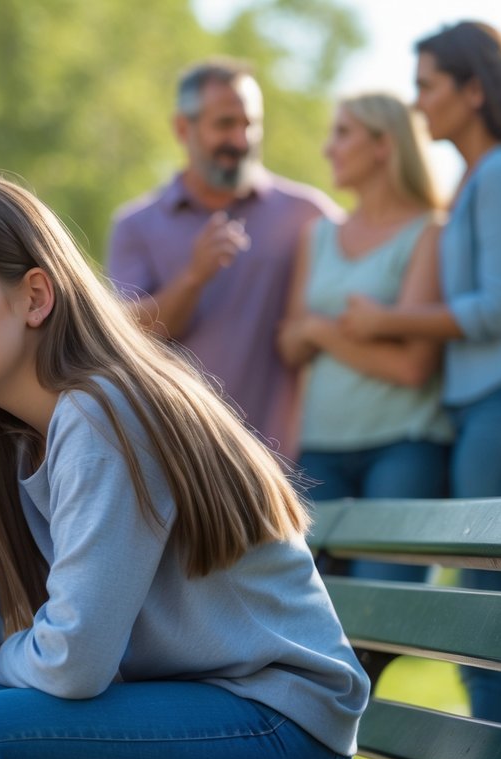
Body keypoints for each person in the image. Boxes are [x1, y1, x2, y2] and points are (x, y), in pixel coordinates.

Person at [0, 171, 369, 759]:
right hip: (178, 710)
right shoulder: (21, 441)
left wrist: (2, 659)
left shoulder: (102, 412)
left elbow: (72, 662)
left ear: (34, 296)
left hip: (274, 732)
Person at [339, 21, 501, 726]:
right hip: (488, 401)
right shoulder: (476, 180)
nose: (417, 101)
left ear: (472, 90)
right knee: (475, 607)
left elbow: (496, 310)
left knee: (486, 614)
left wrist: (387, 320)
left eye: (426, 85)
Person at [108, 58, 343, 459]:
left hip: (285, 464)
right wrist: (193, 277)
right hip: (179, 458)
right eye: (225, 124)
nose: (240, 138)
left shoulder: (306, 213)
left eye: (250, 123)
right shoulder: (136, 225)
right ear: (183, 128)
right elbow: (121, 336)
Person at [277, 92, 451, 581]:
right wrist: (322, 333)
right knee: (314, 612)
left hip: (404, 447)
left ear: (383, 145)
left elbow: (413, 367)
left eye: (342, 133)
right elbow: (289, 345)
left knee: (388, 612)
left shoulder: (429, 233)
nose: (329, 147)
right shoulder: (318, 236)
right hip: (320, 448)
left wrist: (322, 333)